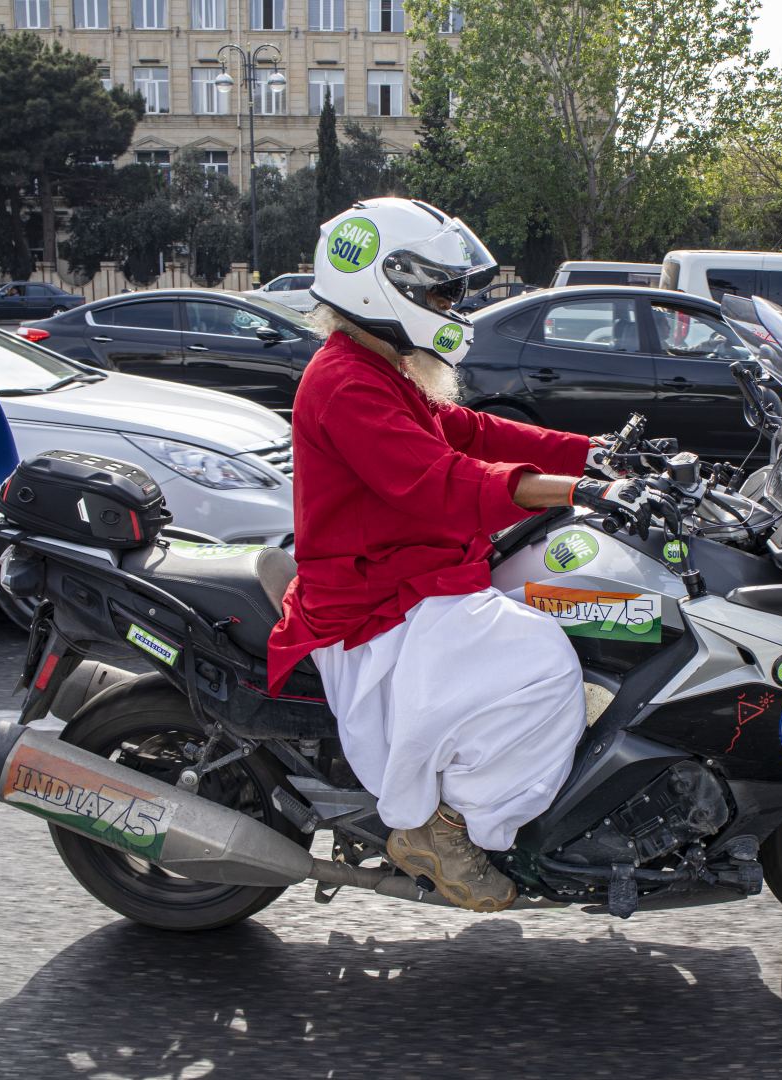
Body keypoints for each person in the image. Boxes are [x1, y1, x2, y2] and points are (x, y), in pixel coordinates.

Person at [266, 197, 667, 912]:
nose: (454, 305)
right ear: (382, 284)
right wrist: (573, 490)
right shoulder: (346, 383)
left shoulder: (378, 365)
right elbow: (441, 482)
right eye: (443, 290)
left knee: (568, 607)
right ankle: (443, 828)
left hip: (416, 577)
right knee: (544, 664)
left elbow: (470, 433)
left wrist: (597, 455)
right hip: (379, 605)